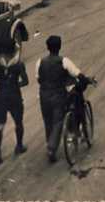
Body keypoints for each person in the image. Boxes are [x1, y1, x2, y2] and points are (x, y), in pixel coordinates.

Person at [36, 34, 86, 163]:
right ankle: (51, 148)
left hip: (44, 95)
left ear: (47, 47)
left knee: (47, 121)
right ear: (59, 47)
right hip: (58, 95)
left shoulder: (40, 62)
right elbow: (77, 73)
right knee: (58, 121)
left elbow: (39, 79)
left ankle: (50, 144)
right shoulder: (64, 61)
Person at [0, 19, 30, 164]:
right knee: (18, 122)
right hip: (14, 95)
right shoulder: (18, 64)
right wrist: (16, 83)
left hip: (0, 97)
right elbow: (25, 81)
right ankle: (19, 146)